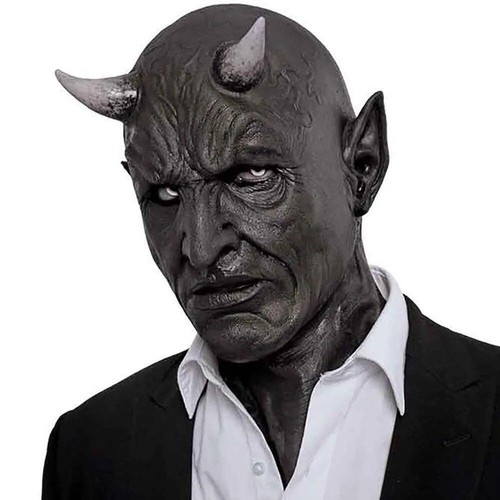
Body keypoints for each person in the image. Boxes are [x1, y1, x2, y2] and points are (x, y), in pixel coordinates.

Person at [43, 4, 500, 499]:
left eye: (251, 175)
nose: (201, 248)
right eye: (164, 194)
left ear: (362, 166)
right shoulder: (89, 452)